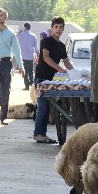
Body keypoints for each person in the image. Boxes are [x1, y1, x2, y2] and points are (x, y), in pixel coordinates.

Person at [32, 16, 73, 144]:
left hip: (51, 79)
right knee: (42, 107)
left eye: (61, 27)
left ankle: (42, 134)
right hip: (41, 77)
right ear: (52, 28)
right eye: (56, 27)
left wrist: (75, 73)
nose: (58, 29)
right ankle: (38, 133)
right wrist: (59, 69)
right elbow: (46, 58)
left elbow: (67, 63)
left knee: (48, 107)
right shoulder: (47, 41)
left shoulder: (61, 45)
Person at [17, 21, 38, 89]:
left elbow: (15, 36)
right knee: (31, 71)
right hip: (31, 56)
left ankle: (26, 86)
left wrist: (20, 31)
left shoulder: (21, 35)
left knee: (25, 71)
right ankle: (32, 85)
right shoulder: (33, 36)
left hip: (23, 56)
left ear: (24, 27)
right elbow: (36, 47)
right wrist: (37, 55)